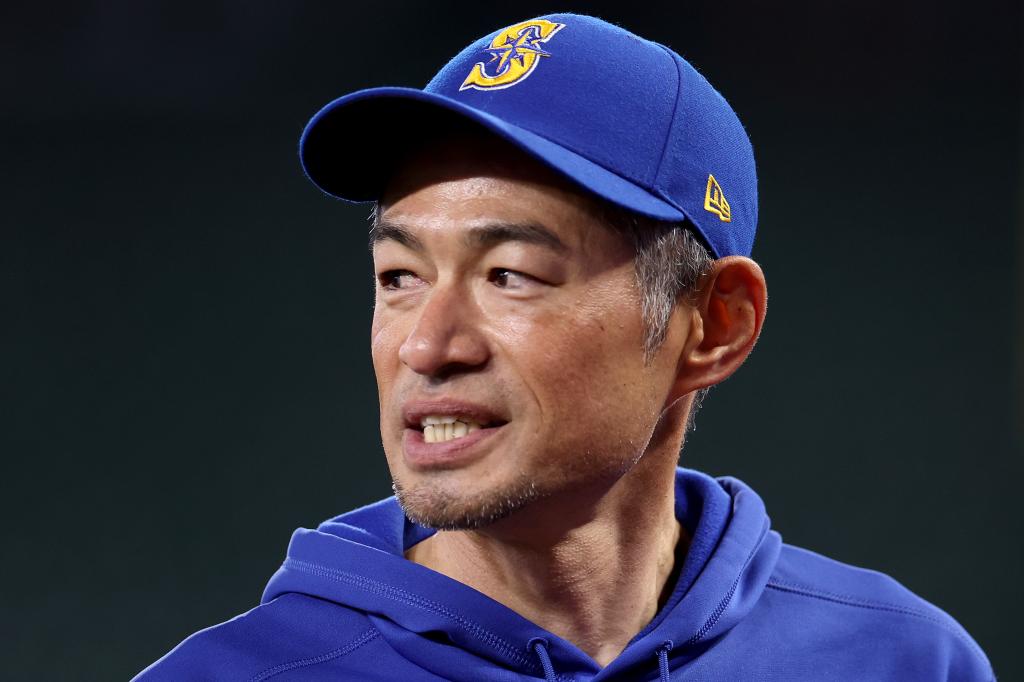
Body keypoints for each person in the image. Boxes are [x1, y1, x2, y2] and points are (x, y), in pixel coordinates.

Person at [135, 13, 994, 681]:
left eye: (510, 274)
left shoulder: (903, 661)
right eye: (399, 276)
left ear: (716, 326)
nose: (426, 346)